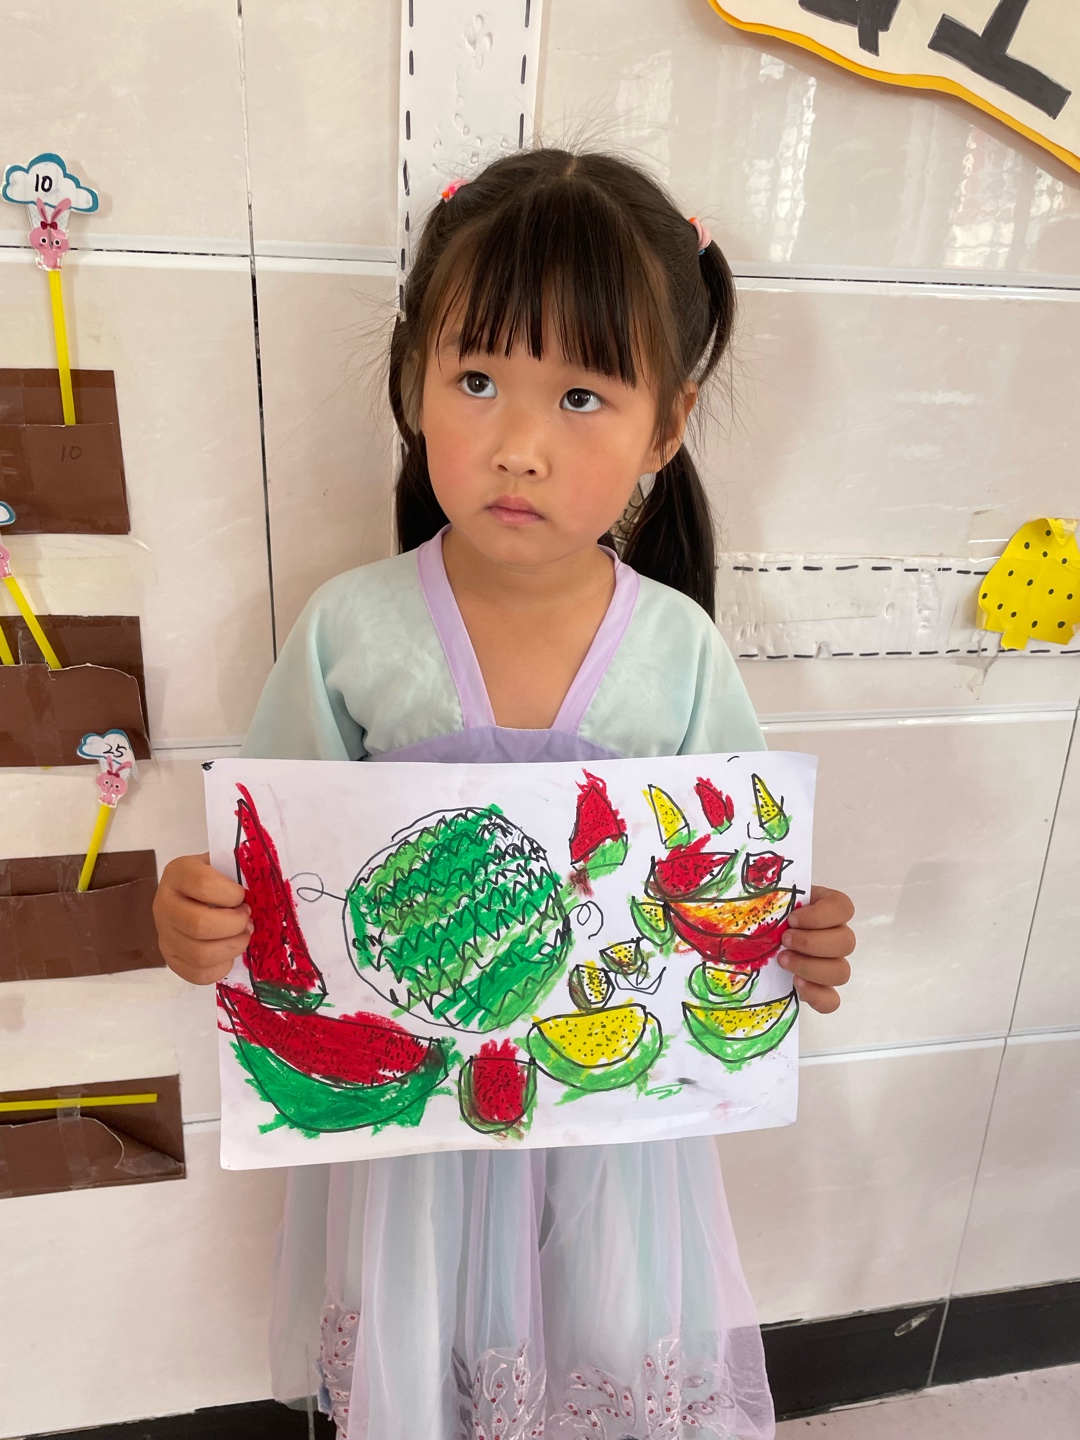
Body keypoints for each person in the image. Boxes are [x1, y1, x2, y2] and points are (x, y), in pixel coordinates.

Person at [154, 148, 856, 1440]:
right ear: (413, 383)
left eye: (582, 395)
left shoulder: (680, 652)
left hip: (619, 1137)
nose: (518, 447)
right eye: (476, 380)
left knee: (611, 1352)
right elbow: (263, 876)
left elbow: (743, 877)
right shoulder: (351, 632)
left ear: (667, 426)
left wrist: (794, 940)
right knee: (426, 1364)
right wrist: (197, 917)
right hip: (418, 1140)